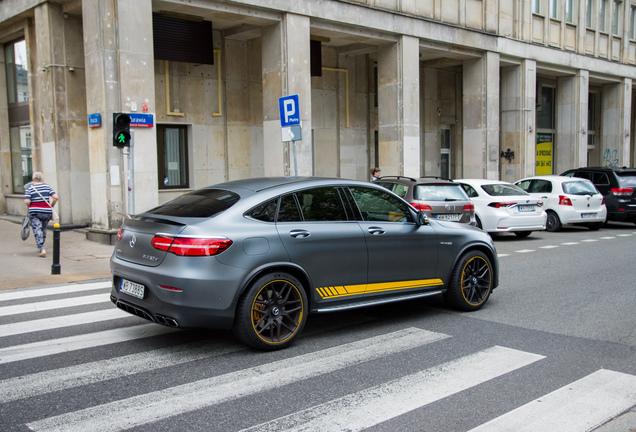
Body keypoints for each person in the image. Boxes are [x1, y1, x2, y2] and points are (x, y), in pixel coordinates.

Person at [24, 172, 58, 258]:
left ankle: (41, 248)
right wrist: (52, 205)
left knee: (37, 228)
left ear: (33, 179)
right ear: (42, 179)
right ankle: (42, 244)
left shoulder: (30, 188)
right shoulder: (47, 187)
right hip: (46, 211)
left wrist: (28, 203)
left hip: (35, 212)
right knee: (43, 228)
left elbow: (27, 201)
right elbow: (55, 197)